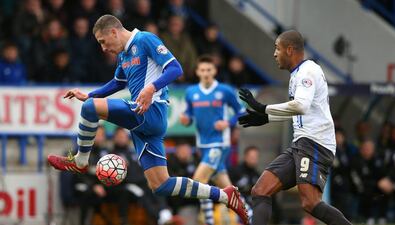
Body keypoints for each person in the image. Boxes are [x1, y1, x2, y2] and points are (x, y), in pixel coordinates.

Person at [46, 14, 248, 224]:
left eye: (103, 42)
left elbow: (175, 68)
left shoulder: (145, 40)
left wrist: (151, 88)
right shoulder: (124, 55)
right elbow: (117, 83)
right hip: (142, 123)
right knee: (161, 185)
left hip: (151, 112)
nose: (103, 48)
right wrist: (89, 95)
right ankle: (225, 195)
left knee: (90, 109)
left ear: (114, 31)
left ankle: (80, 161)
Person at [238, 30, 352, 225]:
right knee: (260, 190)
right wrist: (266, 117)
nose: (274, 54)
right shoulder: (296, 74)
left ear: (289, 50)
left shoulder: (308, 71)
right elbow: (299, 111)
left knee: (310, 203)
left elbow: (301, 105)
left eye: (277, 48)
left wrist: (262, 107)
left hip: (316, 143)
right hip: (301, 144)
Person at [179, 55, 250, 225]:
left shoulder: (224, 90)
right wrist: (186, 119)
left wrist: (228, 122)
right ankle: (250, 215)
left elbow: (242, 111)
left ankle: (208, 221)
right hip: (202, 144)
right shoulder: (191, 92)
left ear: (215, 71)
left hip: (219, 143)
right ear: (197, 72)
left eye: (209, 70)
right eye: (202, 70)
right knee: (227, 189)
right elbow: (188, 115)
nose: (205, 73)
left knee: (198, 181)